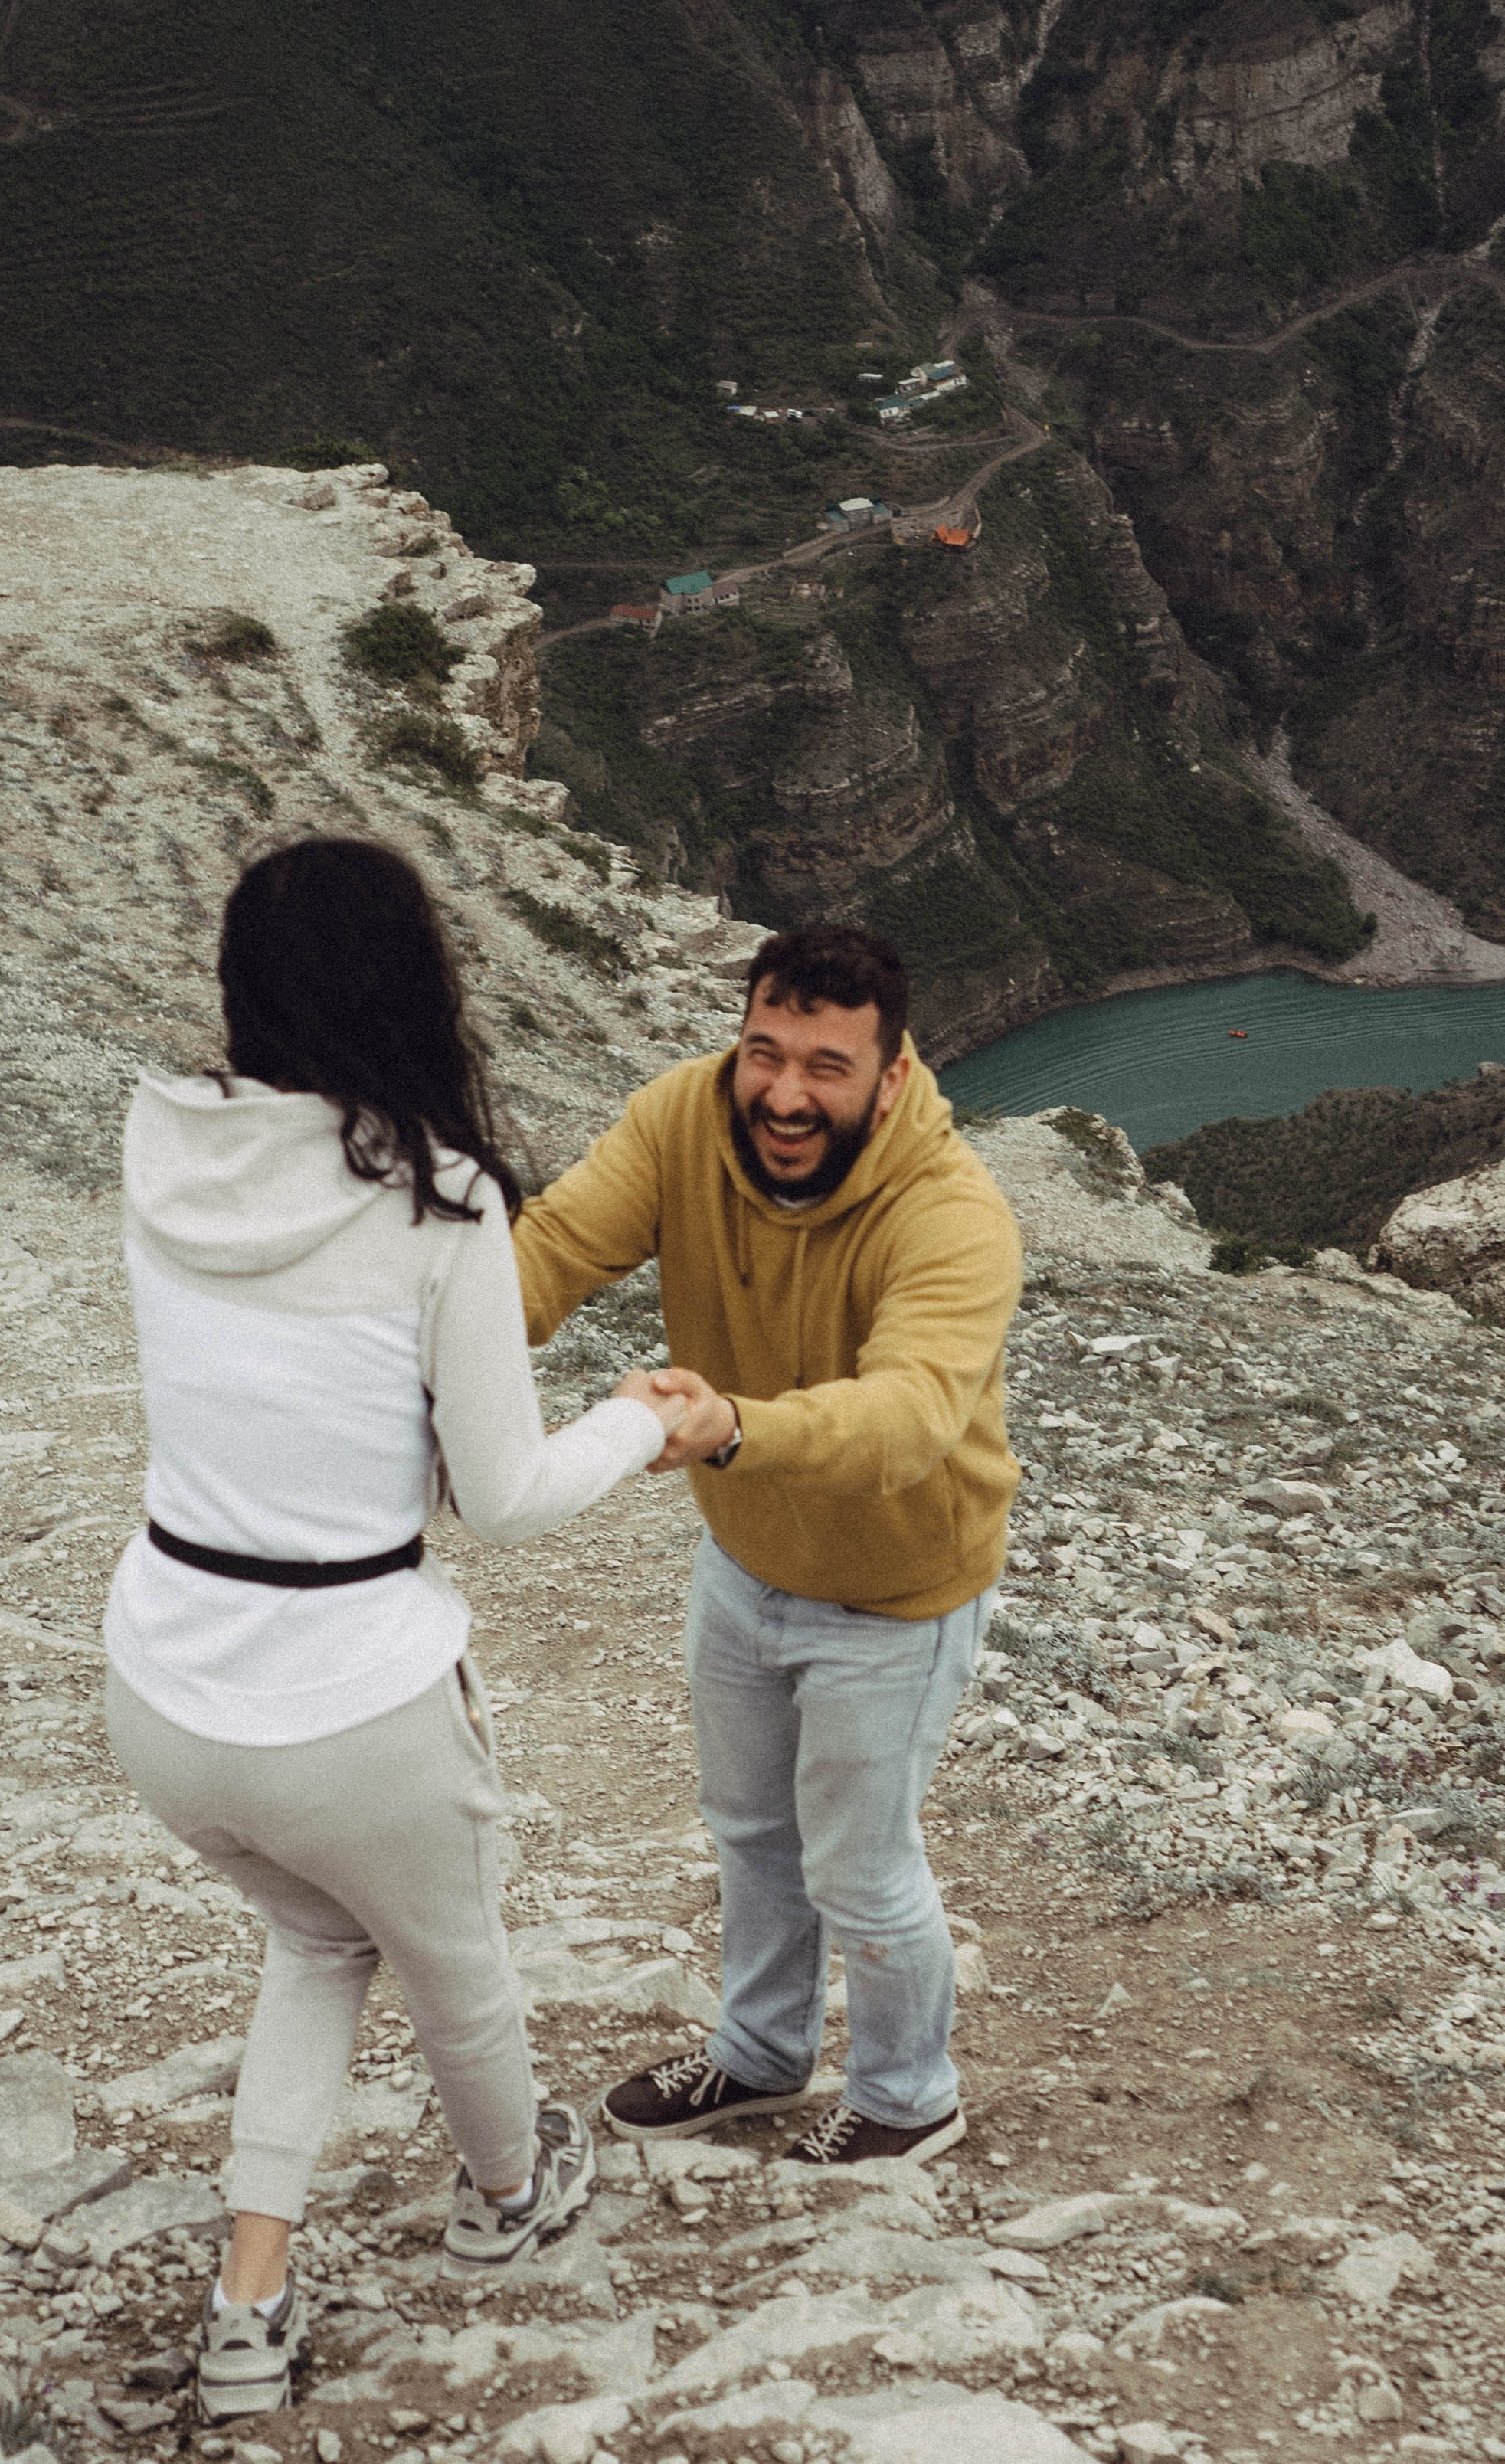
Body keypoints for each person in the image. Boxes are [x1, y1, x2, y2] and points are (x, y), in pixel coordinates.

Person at [102, 839, 686, 2423]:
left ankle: (252, 2299)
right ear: (410, 988)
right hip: (349, 1697)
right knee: (456, 1963)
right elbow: (503, 1496)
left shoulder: (162, 1147)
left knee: (317, 1937)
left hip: (165, 1677)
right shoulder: (442, 1200)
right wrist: (640, 1419)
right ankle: (509, 2192)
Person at [512, 922, 1022, 2168]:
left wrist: (733, 1425)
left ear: (891, 1077)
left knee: (860, 1866)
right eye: (765, 1053)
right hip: (745, 1563)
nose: (785, 1095)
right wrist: (417, 1346)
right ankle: (760, 2051)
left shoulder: (952, 1213)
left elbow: (906, 1418)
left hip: (896, 1593)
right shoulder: (683, 1121)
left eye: (827, 1067)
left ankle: (908, 2093)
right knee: (749, 1828)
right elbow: (550, 1251)